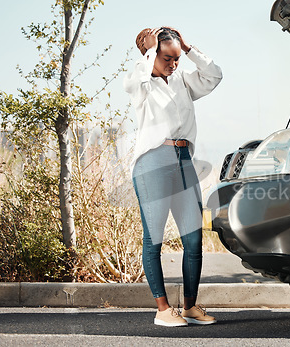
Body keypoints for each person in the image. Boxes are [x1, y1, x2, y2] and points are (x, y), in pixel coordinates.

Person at [123, 27, 222, 327]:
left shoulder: (182, 80)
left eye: (177, 59)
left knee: (193, 239)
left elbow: (214, 75)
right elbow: (138, 80)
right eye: (167, 58)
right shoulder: (140, 83)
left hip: (183, 161)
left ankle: (190, 308)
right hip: (153, 162)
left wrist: (188, 48)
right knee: (153, 239)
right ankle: (163, 309)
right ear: (151, 53)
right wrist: (151, 51)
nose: (173, 65)